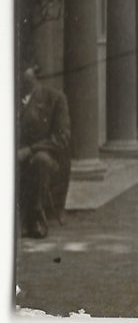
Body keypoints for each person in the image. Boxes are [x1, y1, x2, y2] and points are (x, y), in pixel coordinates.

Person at [17, 60, 70, 239]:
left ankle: (35, 216)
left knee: (41, 160)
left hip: (46, 159)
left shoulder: (54, 98)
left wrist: (30, 150)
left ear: (36, 72)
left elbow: (61, 138)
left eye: (24, 67)